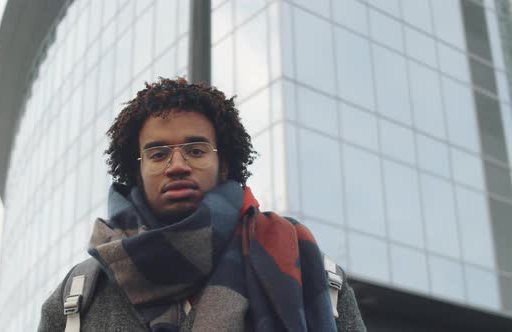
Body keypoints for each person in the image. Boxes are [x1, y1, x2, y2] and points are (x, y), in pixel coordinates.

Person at [38, 77, 366, 331]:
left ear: (224, 165)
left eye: (196, 150)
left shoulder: (312, 272)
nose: (177, 164)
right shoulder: (77, 297)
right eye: (158, 153)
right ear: (137, 170)